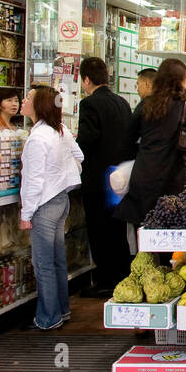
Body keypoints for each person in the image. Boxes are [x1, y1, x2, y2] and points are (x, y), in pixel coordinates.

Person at [115, 58, 186, 227]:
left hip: (144, 179)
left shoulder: (146, 105)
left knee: (145, 238)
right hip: (173, 181)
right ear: (182, 81)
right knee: (170, 236)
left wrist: (144, 151)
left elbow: (126, 142)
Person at [19, 86, 84, 331]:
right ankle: (62, 309)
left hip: (44, 205)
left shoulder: (37, 138)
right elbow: (80, 156)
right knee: (57, 260)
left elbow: (33, 180)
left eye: (30, 98)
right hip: (61, 201)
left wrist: (26, 214)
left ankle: (48, 318)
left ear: (40, 106)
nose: (24, 101)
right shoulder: (61, 130)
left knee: (43, 263)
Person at [75, 57, 135, 296]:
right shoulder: (122, 102)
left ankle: (106, 281)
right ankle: (121, 276)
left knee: (99, 231)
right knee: (117, 229)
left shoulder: (89, 104)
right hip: (120, 177)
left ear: (86, 79)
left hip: (98, 180)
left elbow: (86, 141)